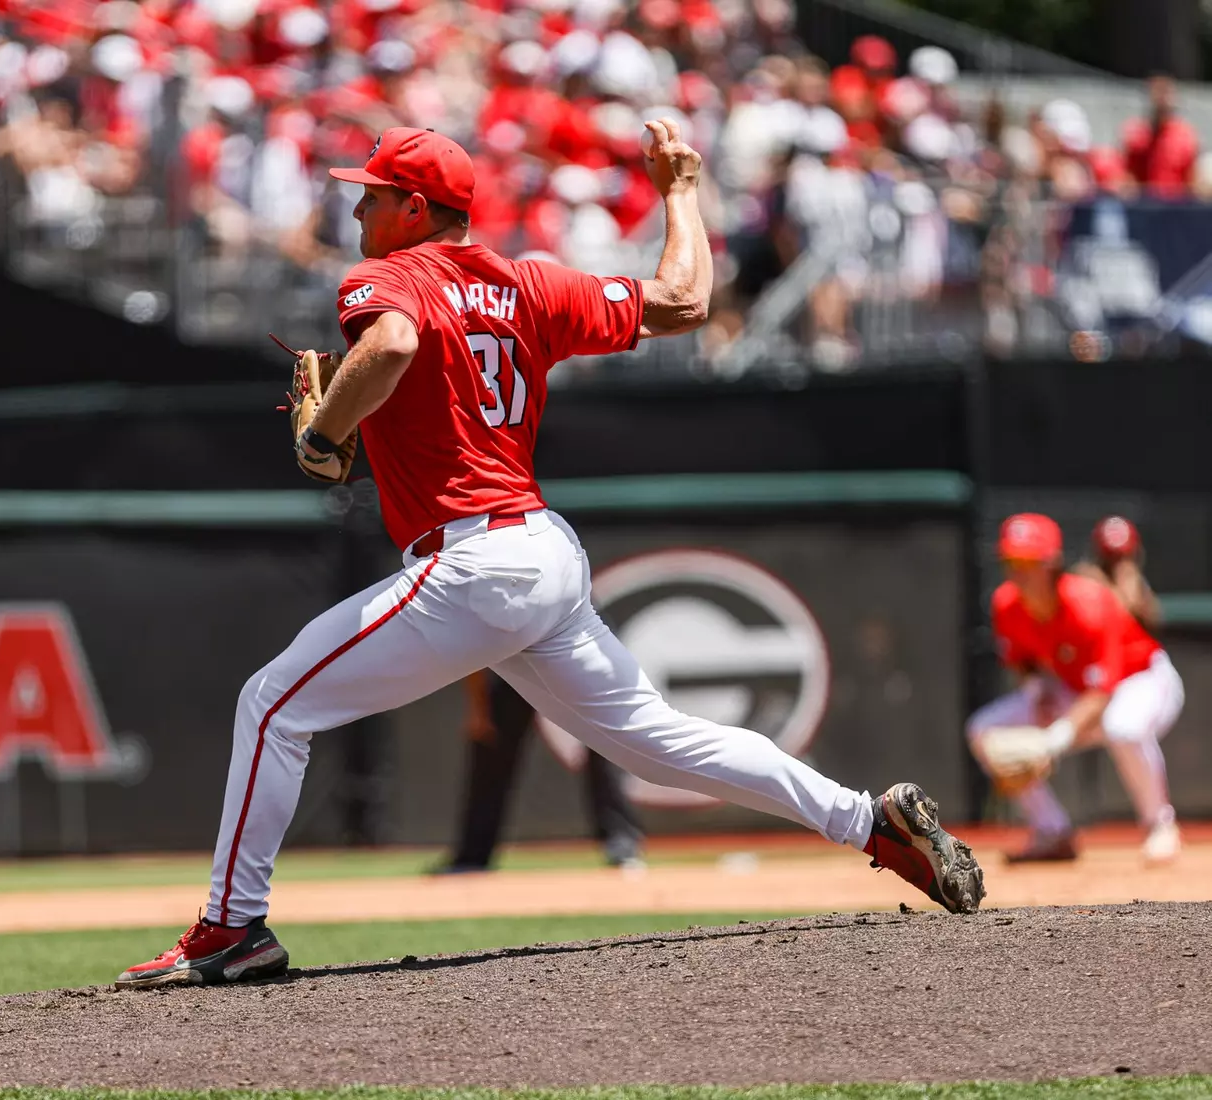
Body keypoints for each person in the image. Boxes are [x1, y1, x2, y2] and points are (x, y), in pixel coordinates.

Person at [115, 121, 985, 990]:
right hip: (541, 551)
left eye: (372, 195)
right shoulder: (529, 283)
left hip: (475, 560)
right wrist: (680, 188)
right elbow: (683, 302)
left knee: (272, 707)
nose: (355, 206)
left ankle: (231, 930)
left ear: (415, 209)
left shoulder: (386, 276)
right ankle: (869, 823)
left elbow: (391, 344)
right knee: (657, 741)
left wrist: (325, 432)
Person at [967, 514, 1182, 866]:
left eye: (1026, 561)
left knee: (1123, 727)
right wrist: (1038, 694)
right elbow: (1024, 664)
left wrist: (1054, 738)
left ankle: (1160, 825)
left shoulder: (1090, 603)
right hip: (1075, 688)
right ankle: (1052, 831)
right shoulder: (1006, 604)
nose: (1016, 570)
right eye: (1010, 560)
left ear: (1051, 563)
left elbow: (1104, 692)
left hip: (1143, 680)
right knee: (983, 728)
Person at [436, 670, 646, 875]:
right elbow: (476, 655)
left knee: (604, 741)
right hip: (514, 667)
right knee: (491, 741)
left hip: (565, 660)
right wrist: (479, 708)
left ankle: (623, 845)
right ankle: (472, 856)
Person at [1071, 515, 1162, 632]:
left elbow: (1153, 620)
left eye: (1121, 557)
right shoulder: (1086, 577)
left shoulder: (1134, 579)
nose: (1116, 563)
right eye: (1110, 557)